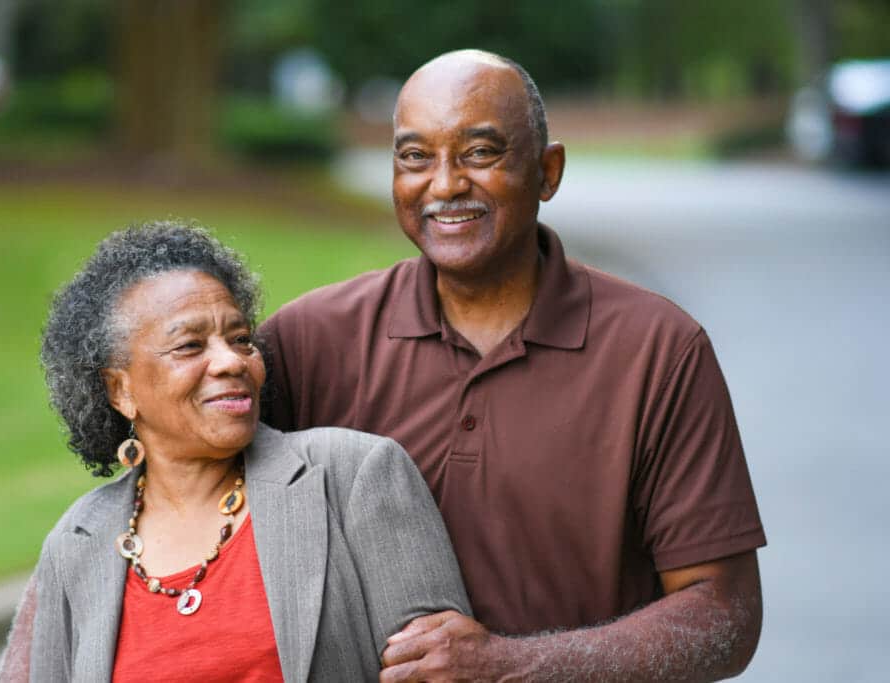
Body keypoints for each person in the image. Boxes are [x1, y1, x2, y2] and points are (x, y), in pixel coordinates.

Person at [260, 49, 766, 681]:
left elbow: (725, 614)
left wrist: (510, 667)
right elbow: (185, 494)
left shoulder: (658, 350)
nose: (444, 184)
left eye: (480, 152)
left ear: (547, 171)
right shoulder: (310, 339)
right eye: (415, 156)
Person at [0, 221, 470, 682]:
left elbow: (442, 674)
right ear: (120, 390)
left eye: (241, 339)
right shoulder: (78, 542)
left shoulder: (354, 476)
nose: (231, 362)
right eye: (189, 346)